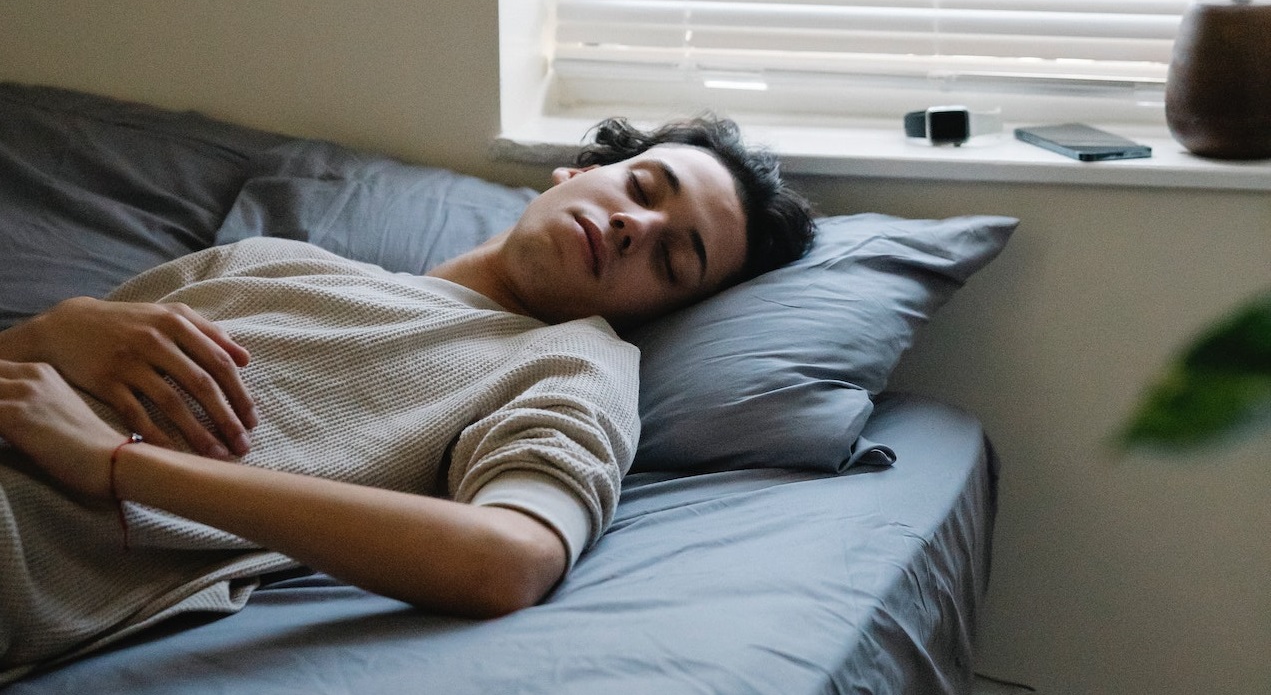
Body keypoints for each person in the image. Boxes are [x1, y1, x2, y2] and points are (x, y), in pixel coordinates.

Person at [0, 115, 815, 677]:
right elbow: (32, 393)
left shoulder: (567, 363)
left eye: (673, 260)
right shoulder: (268, 259)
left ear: (659, 313)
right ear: (577, 173)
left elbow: (510, 557)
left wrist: (116, 465)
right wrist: (49, 332)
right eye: (641, 186)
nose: (634, 225)